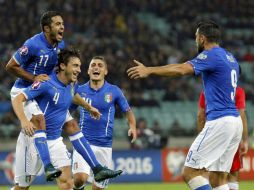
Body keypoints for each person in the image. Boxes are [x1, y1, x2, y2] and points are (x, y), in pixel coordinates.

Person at [127, 20, 242, 190]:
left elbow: (181, 69)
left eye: (196, 37)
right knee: (218, 179)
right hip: (234, 121)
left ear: (202, 38)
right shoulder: (231, 58)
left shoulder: (211, 55)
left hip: (220, 120)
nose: (195, 40)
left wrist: (149, 70)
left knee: (190, 172)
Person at [12, 49, 123, 190]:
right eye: (75, 66)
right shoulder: (46, 82)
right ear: (63, 66)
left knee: (67, 183)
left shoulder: (72, 84)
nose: (79, 70)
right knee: (22, 188)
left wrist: (88, 107)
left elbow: (73, 95)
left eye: (80, 66)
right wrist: (24, 120)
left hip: (54, 141)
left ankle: (97, 169)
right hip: (33, 139)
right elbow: (18, 98)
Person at [72, 56, 137, 190]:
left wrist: (132, 126)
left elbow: (128, 111)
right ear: (88, 71)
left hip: (104, 147)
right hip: (84, 142)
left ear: (105, 71)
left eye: (100, 65)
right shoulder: (80, 91)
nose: (96, 67)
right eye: (93, 65)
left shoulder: (114, 91)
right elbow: (67, 110)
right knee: (79, 180)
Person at [197, 88, 248, 190]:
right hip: (232, 132)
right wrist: (245, 140)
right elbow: (241, 114)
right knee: (232, 174)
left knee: (212, 174)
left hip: (213, 134)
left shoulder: (206, 91)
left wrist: (201, 138)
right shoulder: (238, 90)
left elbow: (201, 115)